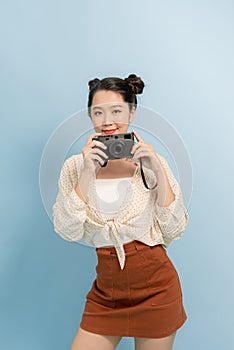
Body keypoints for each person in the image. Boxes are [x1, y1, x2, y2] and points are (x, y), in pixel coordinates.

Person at [53, 74, 189, 350]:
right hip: (107, 293)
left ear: (132, 111)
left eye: (116, 111)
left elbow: (174, 228)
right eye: (98, 112)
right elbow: (67, 230)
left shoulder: (152, 163)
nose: (107, 121)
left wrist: (157, 170)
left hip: (158, 292)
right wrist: (87, 171)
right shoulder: (74, 167)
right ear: (90, 115)